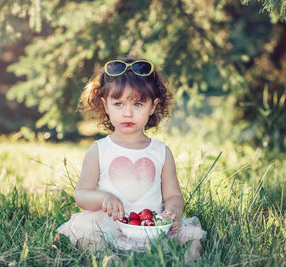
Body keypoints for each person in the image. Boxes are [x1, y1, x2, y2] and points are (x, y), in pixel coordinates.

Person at [56, 56, 205, 262]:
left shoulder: (161, 152)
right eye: (118, 104)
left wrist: (173, 211)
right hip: (110, 225)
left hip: (151, 226)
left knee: (192, 238)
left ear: (153, 106)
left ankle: (190, 261)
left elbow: (173, 195)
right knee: (88, 236)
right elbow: (81, 195)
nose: (128, 113)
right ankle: (108, 260)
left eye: (137, 104)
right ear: (105, 106)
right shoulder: (99, 150)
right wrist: (104, 198)